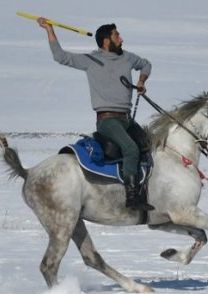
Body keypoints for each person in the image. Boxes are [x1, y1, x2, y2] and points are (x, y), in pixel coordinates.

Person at [38, 18, 154, 210]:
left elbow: (146, 64)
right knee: (131, 149)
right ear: (106, 41)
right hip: (107, 120)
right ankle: (132, 198)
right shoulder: (91, 60)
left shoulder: (127, 57)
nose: (122, 39)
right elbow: (60, 56)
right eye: (117, 35)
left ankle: (147, 190)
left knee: (148, 146)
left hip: (126, 119)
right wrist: (49, 30)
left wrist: (142, 81)